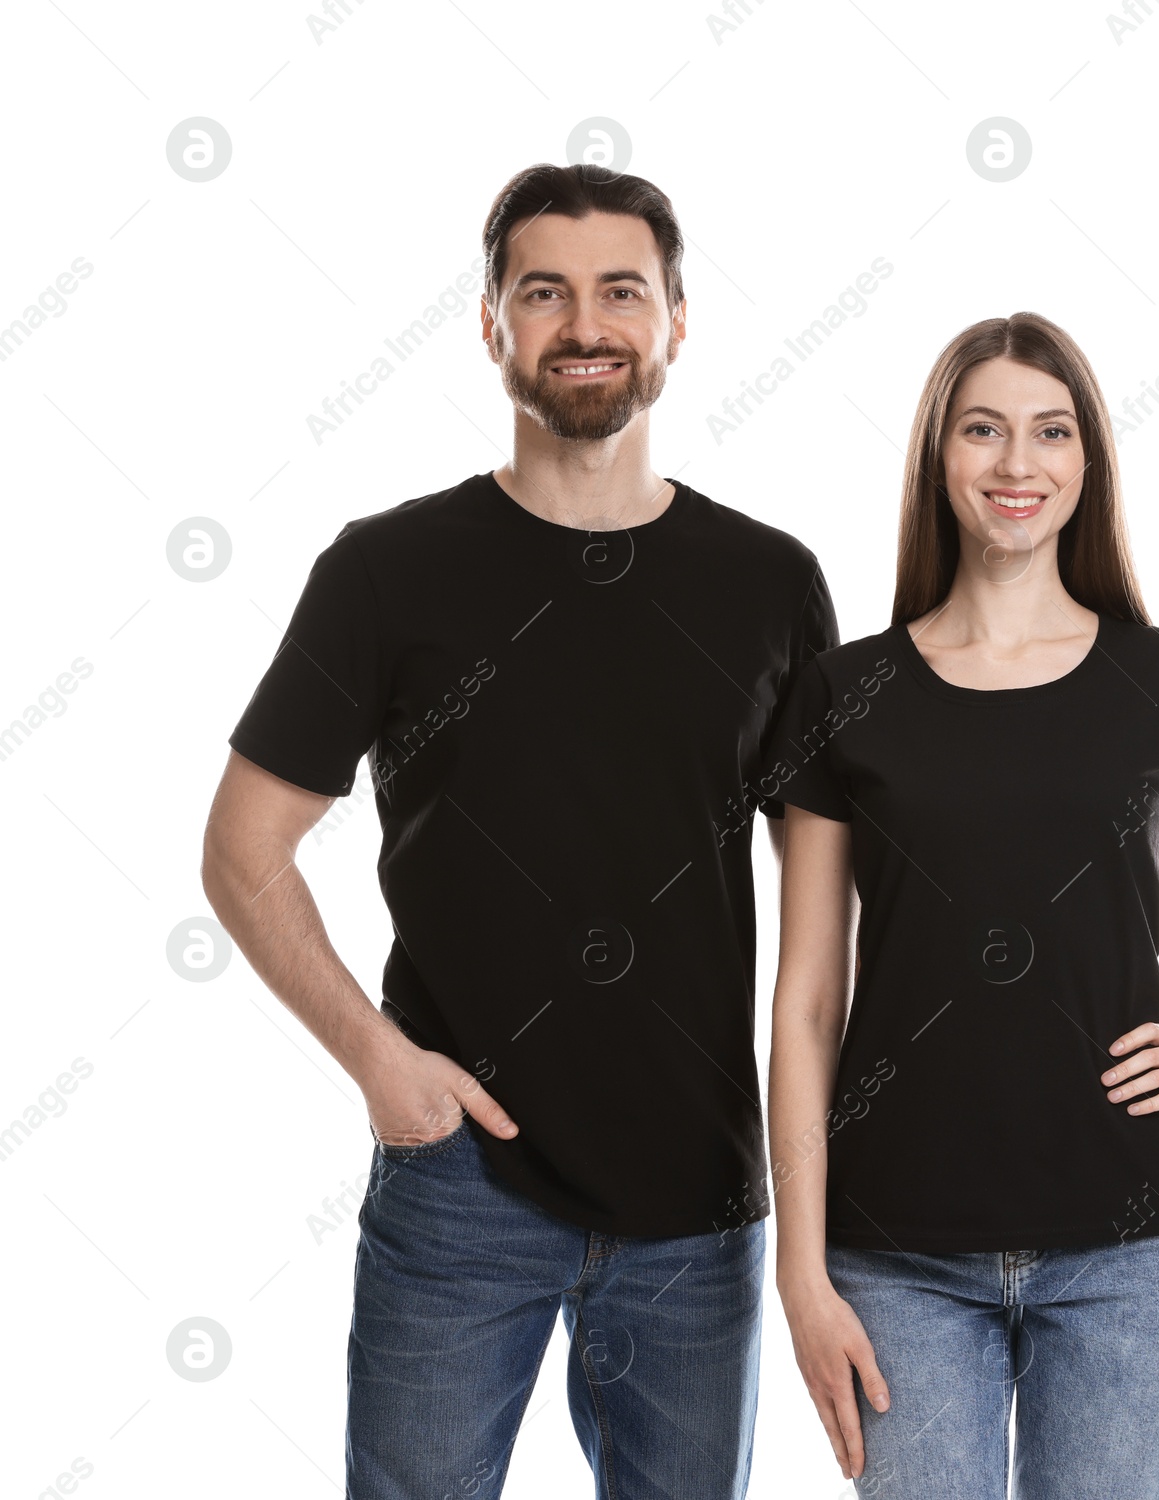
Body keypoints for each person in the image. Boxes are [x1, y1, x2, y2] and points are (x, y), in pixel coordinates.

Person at [200, 163, 837, 1500]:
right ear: (492, 324)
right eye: (544, 292)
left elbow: (830, 928)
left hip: (698, 1200)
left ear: (677, 320)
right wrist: (378, 1060)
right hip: (458, 1189)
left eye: (622, 290)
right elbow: (243, 849)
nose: (585, 324)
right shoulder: (388, 571)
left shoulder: (769, 584)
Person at [763, 312, 1159, 1498]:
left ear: (1086, 461)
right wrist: (799, 1273)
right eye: (984, 430)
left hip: (1131, 1249)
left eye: (1050, 432)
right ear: (936, 456)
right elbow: (808, 1001)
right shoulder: (844, 692)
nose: (1018, 465)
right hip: (896, 1253)